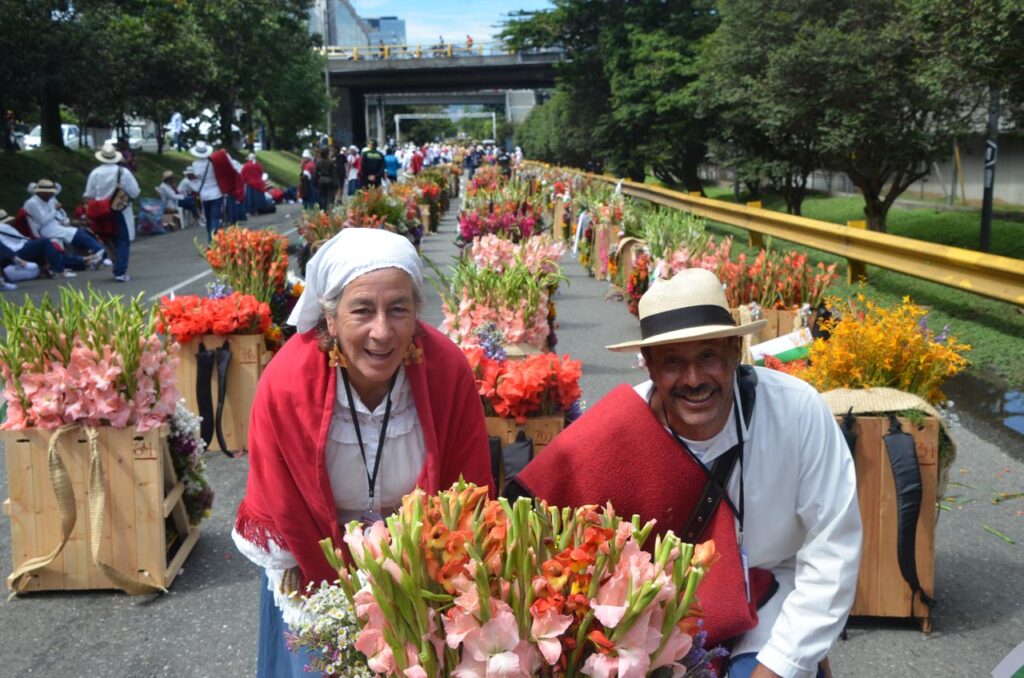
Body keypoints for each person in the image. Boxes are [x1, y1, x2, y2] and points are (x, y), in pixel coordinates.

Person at [511, 268, 862, 678]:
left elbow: (833, 551)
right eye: (674, 361)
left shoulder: (797, 411)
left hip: (772, 600)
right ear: (649, 366)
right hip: (656, 622)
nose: (694, 379)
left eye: (708, 356)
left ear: (735, 349)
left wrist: (780, 664)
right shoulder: (615, 432)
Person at [232, 227, 494, 677]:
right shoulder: (287, 381)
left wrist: (434, 579)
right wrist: (333, 596)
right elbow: (283, 500)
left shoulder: (446, 369)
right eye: (362, 310)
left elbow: (465, 489)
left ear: (417, 316)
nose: (382, 331)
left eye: (398, 310)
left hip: (420, 557)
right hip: (310, 554)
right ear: (330, 320)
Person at [84, 142, 141, 282]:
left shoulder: (95, 173)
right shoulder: (123, 172)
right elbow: (135, 192)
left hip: (101, 211)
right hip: (118, 209)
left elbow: (89, 193)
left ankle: (116, 264)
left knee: (108, 239)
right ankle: (120, 270)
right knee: (123, 241)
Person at [23, 179, 106, 269]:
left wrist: (62, 221)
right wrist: (55, 210)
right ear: (42, 193)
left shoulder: (48, 200)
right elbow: (43, 221)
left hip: (52, 226)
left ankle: (97, 254)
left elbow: (54, 217)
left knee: (79, 232)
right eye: (49, 193)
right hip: (43, 229)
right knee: (76, 233)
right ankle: (100, 252)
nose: (51, 195)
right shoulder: (32, 203)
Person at [0, 208, 75, 280]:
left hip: (12, 252)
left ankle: (49, 269)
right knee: (45, 242)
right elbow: (21, 239)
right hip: (16, 250)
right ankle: (59, 271)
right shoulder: (4, 227)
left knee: (43, 245)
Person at [188, 141, 225, 241]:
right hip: (216, 193)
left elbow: (195, 178)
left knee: (208, 219)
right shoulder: (213, 163)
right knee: (215, 219)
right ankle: (212, 241)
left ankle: (210, 239)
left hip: (204, 195)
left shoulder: (195, 165)